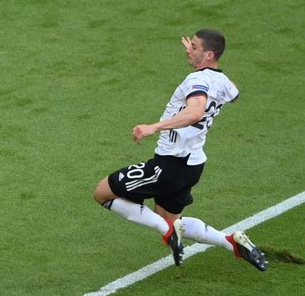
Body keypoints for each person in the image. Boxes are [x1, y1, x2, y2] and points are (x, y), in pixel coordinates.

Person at [93, 29, 267, 271]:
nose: (189, 49)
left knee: (102, 193)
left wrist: (153, 127)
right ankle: (232, 242)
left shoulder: (196, 81)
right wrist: (205, 64)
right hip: (193, 165)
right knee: (170, 218)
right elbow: (234, 93)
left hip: (170, 164)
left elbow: (195, 112)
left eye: (194, 47)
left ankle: (167, 233)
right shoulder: (222, 81)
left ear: (209, 54)